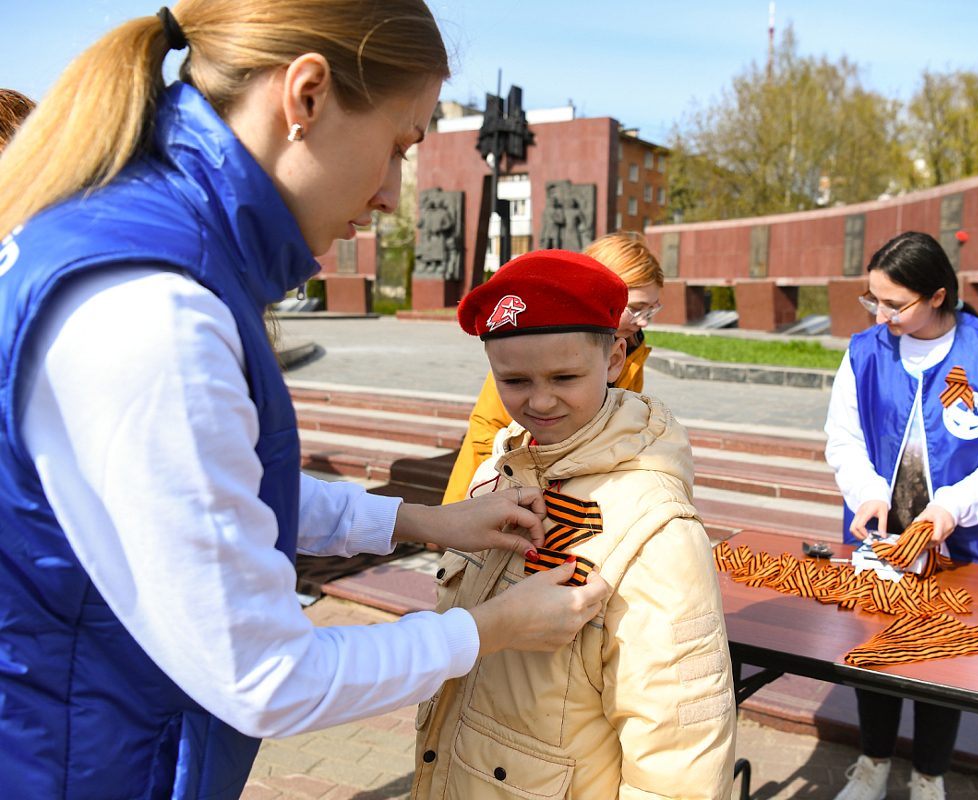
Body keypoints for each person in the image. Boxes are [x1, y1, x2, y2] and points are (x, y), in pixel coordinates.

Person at [0, 4, 607, 799]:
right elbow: (269, 677)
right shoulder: (156, 312)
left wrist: (420, 521)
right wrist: (490, 630)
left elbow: (205, 497)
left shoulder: (125, 248)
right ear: (307, 96)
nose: (392, 193)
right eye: (397, 146)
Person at [412, 250, 735, 799]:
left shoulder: (656, 527)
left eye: (565, 376)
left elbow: (679, 753)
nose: (539, 400)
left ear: (614, 358)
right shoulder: (496, 474)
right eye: (513, 380)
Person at [823, 231, 978, 800]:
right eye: (873, 300)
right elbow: (844, 439)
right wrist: (867, 490)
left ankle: (929, 775)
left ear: (939, 295)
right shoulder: (865, 351)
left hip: (965, 542)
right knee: (876, 651)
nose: (883, 315)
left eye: (895, 304)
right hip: (881, 535)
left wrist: (952, 505)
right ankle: (872, 764)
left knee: (945, 660)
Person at [442, 231, 664, 504]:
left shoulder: (631, 349)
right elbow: (488, 426)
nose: (643, 322)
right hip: (498, 492)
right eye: (636, 308)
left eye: (651, 310)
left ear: (614, 360)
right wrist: (525, 483)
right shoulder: (532, 346)